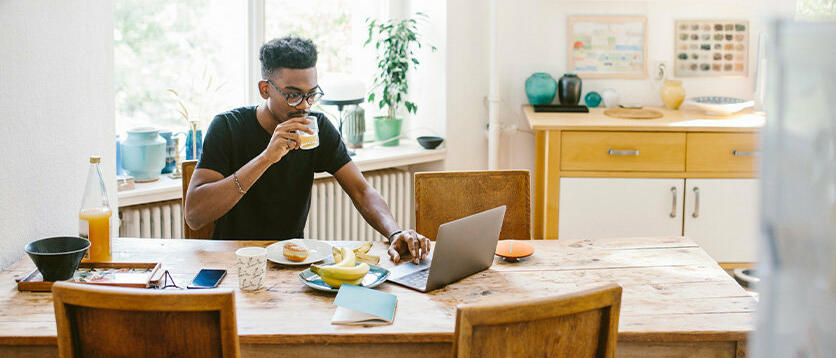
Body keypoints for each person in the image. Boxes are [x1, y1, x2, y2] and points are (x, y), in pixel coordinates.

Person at [184, 36, 429, 264]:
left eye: (311, 95)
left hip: (292, 260)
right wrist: (266, 158)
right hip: (235, 259)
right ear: (265, 89)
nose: (304, 105)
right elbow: (194, 215)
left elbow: (361, 191)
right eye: (293, 95)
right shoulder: (228, 127)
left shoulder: (318, 127)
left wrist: (394, 231)